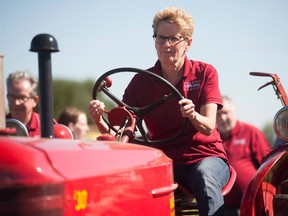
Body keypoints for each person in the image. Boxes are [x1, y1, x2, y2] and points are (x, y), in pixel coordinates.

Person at [89, 6, 230, 216]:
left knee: (205, 178)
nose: (166, 45)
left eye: (174, 39)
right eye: (160, 38)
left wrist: (193, 115)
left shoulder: (205, 72)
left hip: (203, 157)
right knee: (128, 184)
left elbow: (209, 126)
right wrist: (100, 119)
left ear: (188, 43)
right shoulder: (141, 81)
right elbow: (120, 130)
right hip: (163, 160)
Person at [216, 95, 271, 215]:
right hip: (222, 208)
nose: (222, 118)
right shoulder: (211, 139)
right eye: (217, 115)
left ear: (234, 112)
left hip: (252, 206)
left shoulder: (252, 133)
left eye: (225, 113)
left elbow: (268, 168)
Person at [6, 71, 41, 137]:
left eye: (22, 98)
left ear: (35, 101)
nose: (16, 103)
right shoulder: (2, 127)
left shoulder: (48, 127)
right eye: (12, 97)